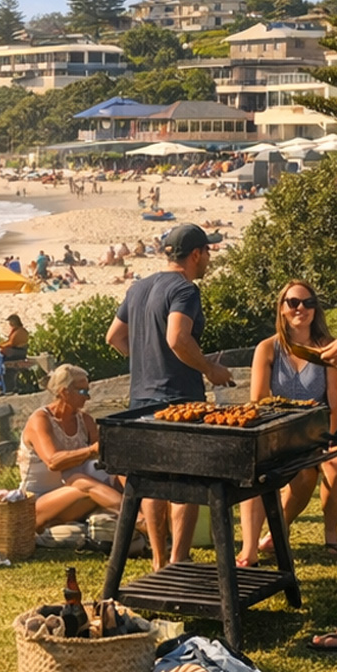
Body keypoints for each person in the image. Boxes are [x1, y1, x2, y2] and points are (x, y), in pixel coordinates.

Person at [106, 223, 232, 570]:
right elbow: (178, 338)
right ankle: (179, 558)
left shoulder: (139, 288)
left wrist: (146, 358)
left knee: (150, 481)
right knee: (186, 479)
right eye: (207, 252)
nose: (209, 258)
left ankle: (159, 560)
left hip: (140, 401)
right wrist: (210, 369)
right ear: (196, 254)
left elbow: (114, 337)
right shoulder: (185, 290)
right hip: (180, 400)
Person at [237, 280, 337, 567]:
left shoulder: (326, 350)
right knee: (264, 472)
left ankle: (328, 534)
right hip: (278, 431)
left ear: (316, 310)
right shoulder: (268, 348)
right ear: (282, 309)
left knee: (327, 465)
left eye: (308, 303)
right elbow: (258, 399)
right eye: (293, 302)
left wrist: (327, 437)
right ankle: (254, 546)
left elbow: (334, 401)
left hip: (317, 431)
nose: (301, 309)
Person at [18, 365, 126, 529]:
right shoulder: (41, 420)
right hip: (38, 502)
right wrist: (91, 451)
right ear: (64, 392)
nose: (88, 397)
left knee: (119, 476)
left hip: (75, 495)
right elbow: (54, 462)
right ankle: (140, 523)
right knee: (83, 483)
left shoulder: (85, 420)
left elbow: (105, 455)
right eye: (82, 391)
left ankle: (151, 520)